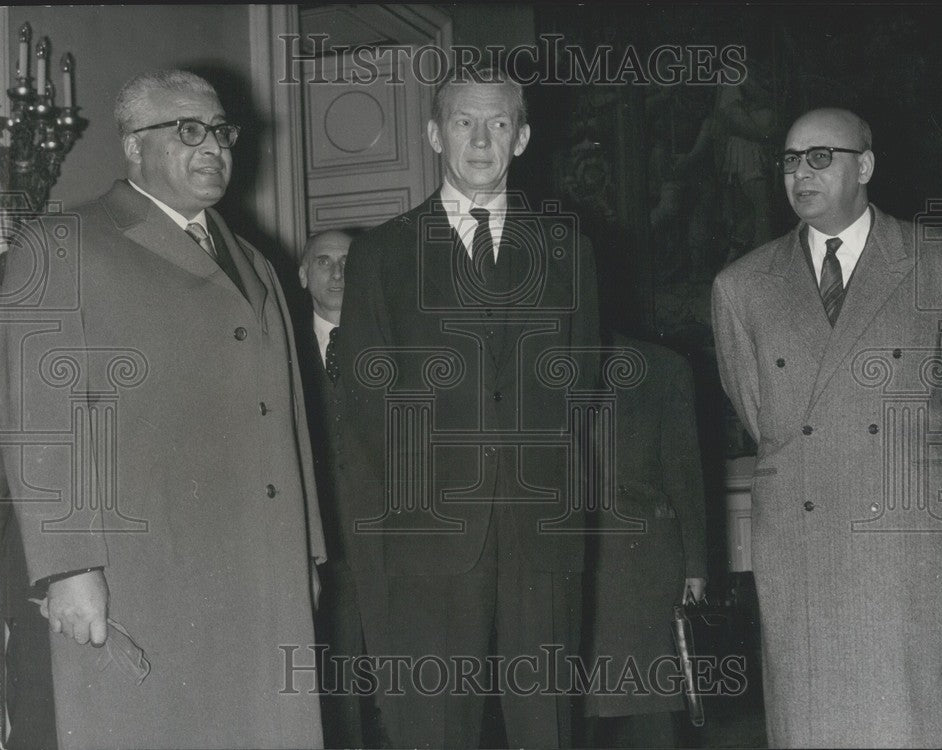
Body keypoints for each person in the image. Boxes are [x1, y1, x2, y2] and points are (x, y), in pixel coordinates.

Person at [0, 70, 325, 749]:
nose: (214, 146)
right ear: (132, 146)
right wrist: (68, 568)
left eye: (221, 131)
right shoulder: (60, 245)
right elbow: (40, 419)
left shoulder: (257, 264)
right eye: (188, 130)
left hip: (261, 567)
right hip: (143, 573)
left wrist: (308, 554)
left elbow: (286, 418)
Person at [712, 108, 942, 747]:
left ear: (864, 166)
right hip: (806, 554)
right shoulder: (742, 287)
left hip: (907, 544)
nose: (800, 174)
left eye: (820, 157)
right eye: (790, 159)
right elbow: (766, 420)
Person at [337, 68, 601, 748]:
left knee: (547, 728)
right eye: (463, 122)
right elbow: (366, 416)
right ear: (433, 133)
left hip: (542, 538)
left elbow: (582, 396)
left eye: (499, 123)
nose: (481, 140)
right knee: (435, 730)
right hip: (429, 542)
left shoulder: (569, 250)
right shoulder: (381, 256)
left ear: (522, 139)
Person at [583, 332, 707, 749]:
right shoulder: (534, 353)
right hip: (566, 554)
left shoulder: (661, 366)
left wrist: (695, 564)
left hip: (640, 560)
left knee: (648, 705)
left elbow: (683, 472)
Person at [295, 229, 373, 748]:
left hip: (393, 548)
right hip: (325, 553)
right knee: (340, 694)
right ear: (303, 276)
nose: (338, 272)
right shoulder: (283, 349)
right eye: (324, 261)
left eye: (348, 261)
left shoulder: (401, 344)